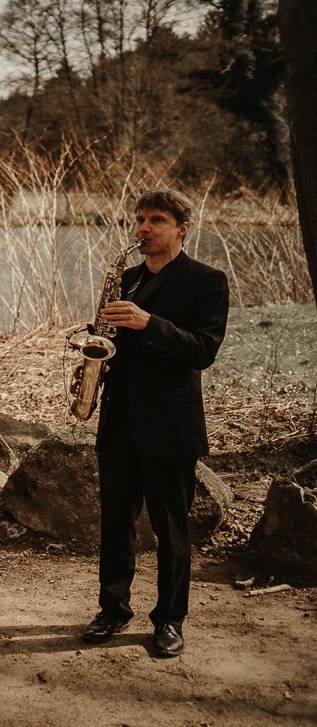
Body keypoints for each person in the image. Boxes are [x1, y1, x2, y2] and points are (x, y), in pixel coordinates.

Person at [80, 188, 229, 658]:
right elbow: (109, 342)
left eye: (156, 220)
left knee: (171, 529)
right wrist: (95, 360)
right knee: (115, 523)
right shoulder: (124, 279)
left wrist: (149, 323)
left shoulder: (207, 281)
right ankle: (113, 608)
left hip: (170, 425)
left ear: (182, 229)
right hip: (119, 420)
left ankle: (169, 620)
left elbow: (203, 350)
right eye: (140, 219)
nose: (142, 228)